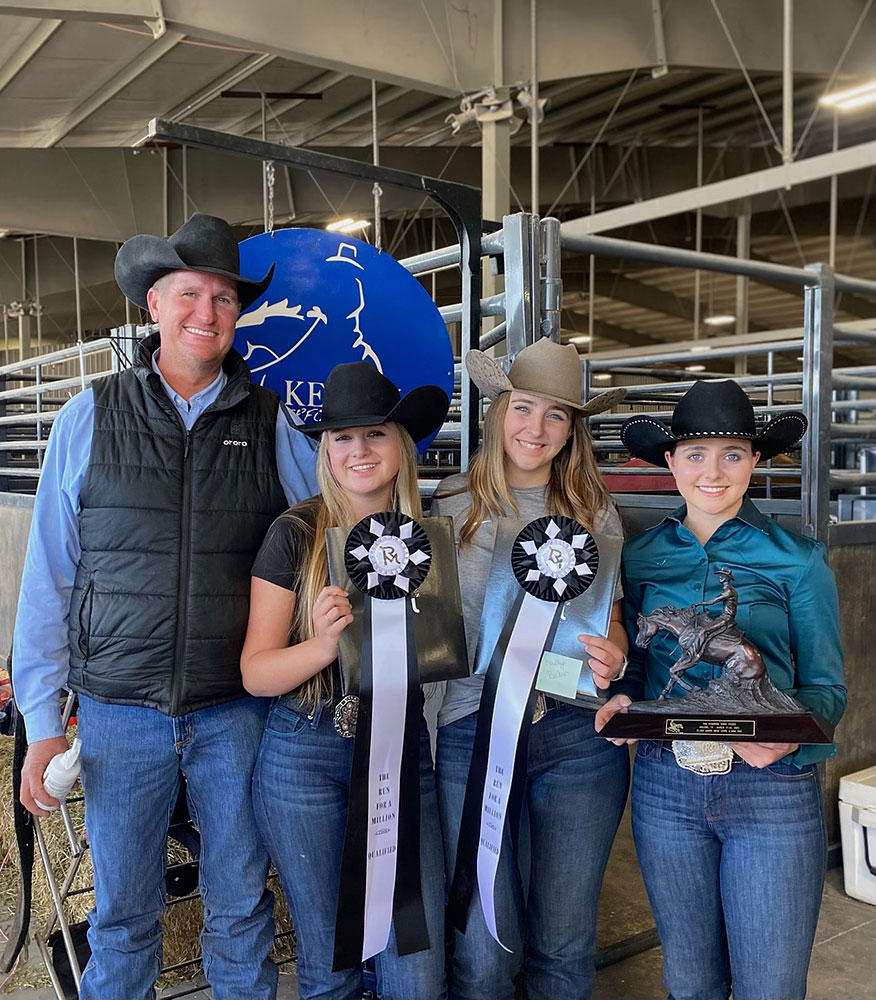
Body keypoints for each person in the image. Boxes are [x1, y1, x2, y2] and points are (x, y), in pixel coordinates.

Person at [13, 213, 319, 1000]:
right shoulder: (89, 416)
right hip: (118, 712)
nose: (206, 313)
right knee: (122, 916)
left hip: (236, 710)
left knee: (241, 904)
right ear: (154, 303)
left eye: (224, 298)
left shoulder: (272, 422)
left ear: (237, 312)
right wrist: (41, 722)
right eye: (189, 294)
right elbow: (49, 577)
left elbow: (321, 540)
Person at [597, 378, 847, 1000]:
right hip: (667, 782)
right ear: (670, 462)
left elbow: (827, 687)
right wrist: (622, 695)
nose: (713, 472)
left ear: (755, 461)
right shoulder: (639, 556)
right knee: (690, 981)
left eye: (732, 454)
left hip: (771, 790)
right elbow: (638, 665)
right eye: (695, 454)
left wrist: (788, 739)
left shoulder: (800, 560)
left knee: (770, 985)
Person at [241, 361, 450, 1000]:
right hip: (305, 754)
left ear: (401, 444)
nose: (359, 450)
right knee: (330, 958)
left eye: (375, 434)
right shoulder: (295, 534)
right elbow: (256, 672)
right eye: (342, 437)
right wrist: (324, 645)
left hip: (401, 752)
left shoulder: (431, 537)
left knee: (416, 965)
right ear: (325, 450)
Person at [432, 337, 633, 1000]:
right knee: (482, 952)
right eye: (523, 408)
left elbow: (611, 621)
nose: (536, 428)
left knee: (564, 946)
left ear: (572, 430)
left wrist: (615, 653)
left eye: (556, 415)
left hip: (573, 732)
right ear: (499, 412)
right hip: (471, 725)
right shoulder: (451, 503)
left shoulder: (595, 511)